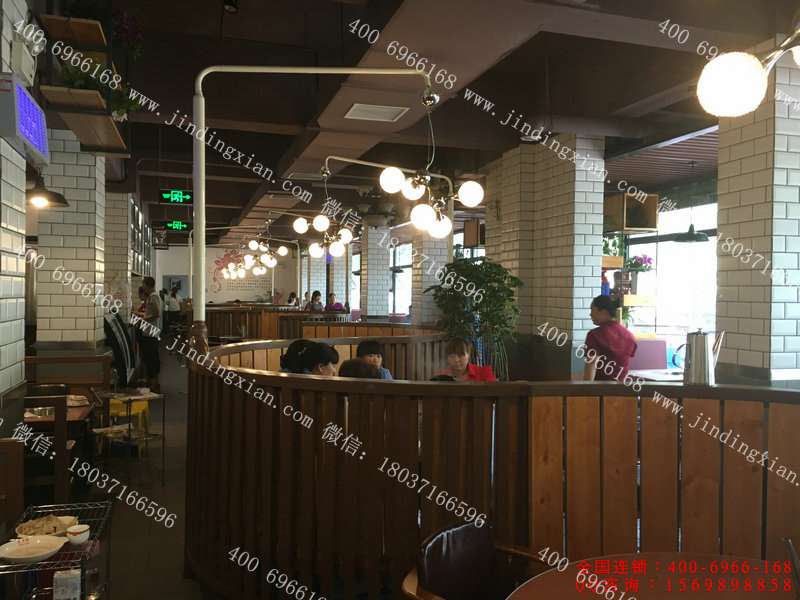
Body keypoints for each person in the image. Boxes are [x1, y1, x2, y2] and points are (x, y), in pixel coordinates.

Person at [583, 295, 637, 382]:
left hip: (601, 388)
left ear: (603, 312)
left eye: (592, 310)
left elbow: (591, 367)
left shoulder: (595, 335)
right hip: (624, 387)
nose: (590, 314)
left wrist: (586, 389)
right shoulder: (629, 335)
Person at [134, 276, 161, 392]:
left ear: (147, 285)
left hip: (151, 332)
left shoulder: (153, 297)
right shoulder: (151, 297)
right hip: (149, 332)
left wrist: (143, 319)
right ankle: (152, 383)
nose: (143, 287)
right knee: (150, 358)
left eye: (143, 285)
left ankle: (154, 384)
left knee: (151, 359)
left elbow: (156, 313)